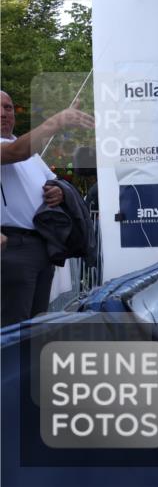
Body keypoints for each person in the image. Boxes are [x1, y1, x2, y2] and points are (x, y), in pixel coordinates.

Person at [1, 90, 94, 326]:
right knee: (13, 326)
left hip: (40, 246)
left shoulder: (27, 150)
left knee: (35, 325)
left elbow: (51, 180)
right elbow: (16, 153)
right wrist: (58, 121)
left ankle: (28, 363)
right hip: (12, 249)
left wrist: (59, 191)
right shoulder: (19, 148)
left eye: (9, 107)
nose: (4, 113)